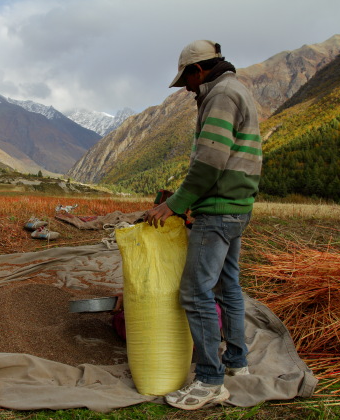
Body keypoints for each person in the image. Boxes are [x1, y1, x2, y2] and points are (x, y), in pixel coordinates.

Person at [145, 39, 262, 410]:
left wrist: (177, 205)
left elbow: (210, 160)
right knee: (227, 286)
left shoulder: (221, 95)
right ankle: (236, 361)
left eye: (187, 81)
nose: (186, 89)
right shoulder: (235, 89)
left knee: (195, 292)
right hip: (238, 206)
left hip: (218, 210)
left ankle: (210, 380)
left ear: (199, 70)